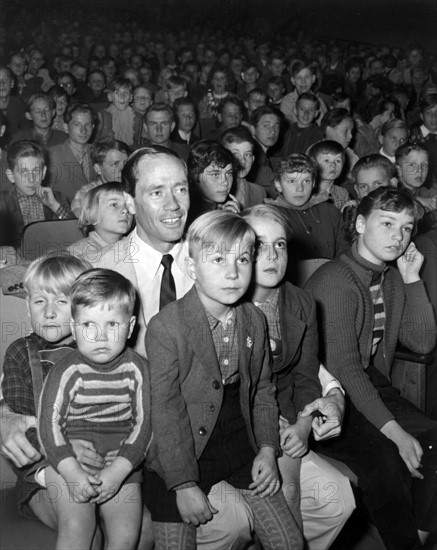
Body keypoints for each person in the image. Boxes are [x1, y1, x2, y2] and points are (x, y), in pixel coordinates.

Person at [144, 210, 303, 550]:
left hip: (239, 436)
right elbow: (167, 412)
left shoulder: (253, 319)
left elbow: (262, 391)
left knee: (288, 543)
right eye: (217, 259)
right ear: (191, 268)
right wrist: (184, 484)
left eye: (243, 259)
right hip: (180, 445)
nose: (233, 273)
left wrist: (266, 449)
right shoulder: (166, 327)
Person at [305, 187, 437, 549]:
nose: (398, 236)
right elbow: (344, 369)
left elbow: (423, 343)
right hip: (327, 392)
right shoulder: (336, 280)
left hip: (369, 383)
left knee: (433, 439)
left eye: (407, 228)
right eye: (387, 223)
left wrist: (411, 278)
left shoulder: (391, 276)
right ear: (361, 224)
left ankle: (415, 538)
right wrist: (394, 432)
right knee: (387, 461)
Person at [242, 204, 355, 549]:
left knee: (326, 497)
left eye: (280, 245)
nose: (272, 255)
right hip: (239, 423)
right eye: (258, 245)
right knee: (285, 492)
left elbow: (306, 376)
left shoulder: (302, 302)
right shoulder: (227, 302)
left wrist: (303, 423)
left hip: (287, 413)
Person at [38, 268, 152, 550]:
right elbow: (48, 427)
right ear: (74, 328)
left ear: (131, 325)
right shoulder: (66, 371)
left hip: (122, 461)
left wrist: (120, 470)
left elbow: (145, 425)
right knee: (77, 527)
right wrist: (72, 472)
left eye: (112, 324)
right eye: (89, 325)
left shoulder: (138, 369)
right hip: (68, 458)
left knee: (126, 535)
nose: (100, 335)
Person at [1, 254, 93, 527]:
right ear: (28, 308)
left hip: (102, 460)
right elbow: (20, 422)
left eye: (62, 301)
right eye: (39, 301)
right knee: (81, 527)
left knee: (141, 528)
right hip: (43, 472)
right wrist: (65, 450)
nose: (49, 312)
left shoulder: (100, 350)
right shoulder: (21, 353)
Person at [264, 153, 348, 261]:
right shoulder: (270, 217)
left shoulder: (330, 212)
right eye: (292, 181)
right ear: (278, 185)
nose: (300, 188)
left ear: (313, 183)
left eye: (306, 181)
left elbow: (345, 252)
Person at [0, 140, 74, 248]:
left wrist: (54, 206)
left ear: (43, 172)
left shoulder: (57, 198)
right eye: (24, 172)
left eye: (36, 171)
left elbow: (75, 233)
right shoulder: (3, 203)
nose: (31, 179)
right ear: (11, 176)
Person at [68, 182, 133, 261]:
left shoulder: (135, 247)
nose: (125, 210)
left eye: (128, 205)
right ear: (92, 214)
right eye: (114, 205)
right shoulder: (76, 254)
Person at [46, 102, 98, 202]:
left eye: (87, 124)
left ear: (93, 127)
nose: (83, 130)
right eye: (77, 124)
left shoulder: (99, 153)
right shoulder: (51, 156)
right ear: (66, 127)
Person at [70, 138, 130, 217]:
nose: (122, 169)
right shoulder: (86, 194)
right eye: (115, 164)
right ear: (98, 169)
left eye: (125, 163)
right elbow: (83, 223)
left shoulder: (133, 189)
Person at [187, 140, 240, 223]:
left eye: (229, 173)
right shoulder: (188, 216)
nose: (225, 182)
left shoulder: (225, 208)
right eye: (215, 174)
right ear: (195, 175)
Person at [221, 125, 267, 208]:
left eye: (247, 154)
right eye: (235, 154)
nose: (243, 160)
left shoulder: (259, 193)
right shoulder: (217, 192)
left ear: (253, 159)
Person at [95, 77, 143, 148]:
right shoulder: (102, 115)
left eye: (125, 93)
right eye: (117, 93)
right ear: (110, 97)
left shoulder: (137, 117)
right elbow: (95, 142)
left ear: (131, 97)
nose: (122, 97)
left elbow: (137, 142)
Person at [247, 105, 281, 197]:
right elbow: (276, 191)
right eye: (266, 126)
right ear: (253, 129)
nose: (273, 131)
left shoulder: (260, 152)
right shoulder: (255, 155)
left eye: (276, 126)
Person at [280, 62, 327, 126]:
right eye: (299, 78)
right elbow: (288, 126)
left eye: (307, 77)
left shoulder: (319, 102)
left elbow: (324, 126)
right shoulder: (288, 101)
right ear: (293, 80)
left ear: (313, 79)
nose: (303, 81)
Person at [307, 140, 350, 210]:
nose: (333, 165)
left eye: (338, 161)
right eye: (326, 160)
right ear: (313, 163)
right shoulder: (308, 192)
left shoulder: (343, 194)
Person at [277, 92, 323, 157]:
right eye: (302, 109)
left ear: (316, 114)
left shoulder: (319, 135)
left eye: (311, 110)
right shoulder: (284, 132)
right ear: (295, 110)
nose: (306, 113)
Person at [395, 143, 437, 214]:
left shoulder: (422, 192)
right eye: (412, 165)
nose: (420, 170)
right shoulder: (392, 190)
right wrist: (415, 200)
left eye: (424, 165)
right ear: (399, 170)